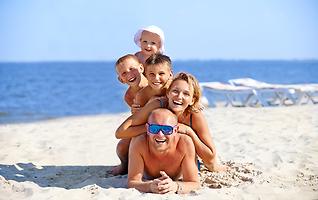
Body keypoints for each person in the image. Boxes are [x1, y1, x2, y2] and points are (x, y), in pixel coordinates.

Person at [116, 72, 227, 172]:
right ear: (168, 93)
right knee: (122, 146)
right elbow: (120, 133)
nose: (179, 97)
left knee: (210, 164)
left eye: (186, 94)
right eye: (175, 91)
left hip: (180, 158)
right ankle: (126, 166)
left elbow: (210, 157)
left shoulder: (194, 115)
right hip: (155, 155)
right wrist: (154, 128)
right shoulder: (158, 104)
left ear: (192, 100)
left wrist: (189, 131)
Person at [128, 108, 200, 194]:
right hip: (140, 164)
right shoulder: (139, 143)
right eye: (154, 128)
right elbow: (132, 182)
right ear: (147, 129)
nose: (160, 134)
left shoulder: (184, 143)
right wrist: (149, 186)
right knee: (122, 147)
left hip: (186, 167)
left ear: (175, 130)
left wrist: (176, 186)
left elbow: (194, 183)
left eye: (166, 129)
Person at [112, 54, 148, 175]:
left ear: (141, 68)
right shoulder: (128, 96)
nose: (129, 74)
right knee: (121, 147)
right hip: (144, 125)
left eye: (132, 69)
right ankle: (125, 165)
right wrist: (135, 113)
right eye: (124, 73)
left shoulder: (153, 83)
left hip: (159, 123)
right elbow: (137, 119)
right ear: (121, 80)